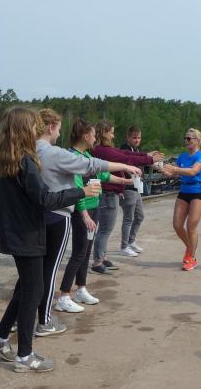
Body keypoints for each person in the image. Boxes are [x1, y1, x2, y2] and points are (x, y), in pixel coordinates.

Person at [0, 107, 97, 372]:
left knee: (26, 288)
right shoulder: (25, 161)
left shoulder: (0, 160)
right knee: (33, 292)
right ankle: (25, 356)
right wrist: (80, 192)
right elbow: (45, 199)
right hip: (29, 235)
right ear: (24, 129)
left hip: (13, 233)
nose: (36, 130)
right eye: (33, 126)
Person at [35, 110, 141, 323]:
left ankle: (81, 288)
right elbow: (75, 188)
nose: (95, 138)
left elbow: (102, 174)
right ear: (85, 136)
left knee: (85, 252)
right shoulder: (70, 157)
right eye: (93, 135)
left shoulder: (86, 156)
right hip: (81, 211)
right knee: (78, 253)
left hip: (93, 208)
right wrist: (83, 214)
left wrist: (126, 181)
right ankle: (64, 295)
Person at [90, 121, 162, 274]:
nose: (113, 135)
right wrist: (149, 159)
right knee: (105, 230)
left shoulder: (104, 149)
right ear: (104, 133)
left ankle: (102, 257)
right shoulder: (103, 150)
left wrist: (145, 155)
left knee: (105, 229)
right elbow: (126, 158)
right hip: (108, 194)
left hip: (111, 193)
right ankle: (97, 262)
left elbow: (127, 155)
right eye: (111, 132)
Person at [160, 128, 201, 271]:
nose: (186, 141)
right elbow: (175, 174)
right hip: (184, 191)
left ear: (197, 141)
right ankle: (190, 247)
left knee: (191, 226)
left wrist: (174, 169)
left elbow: (193, 171)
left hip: (197, 192)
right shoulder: (182, 157)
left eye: (189, 139)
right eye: (185, 138)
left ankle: (192, 258)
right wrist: (166, 170)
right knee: (177, 225)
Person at [119, 125, 148, 256]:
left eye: (139, 138)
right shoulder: (125, 149)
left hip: (136, 188)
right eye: (134, 137)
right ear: (128, 138)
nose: (137, 140)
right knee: (128, 218)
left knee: (140, 216)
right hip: (128, 188)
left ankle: (131, 241)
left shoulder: (136, 150)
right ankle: (124, 246)